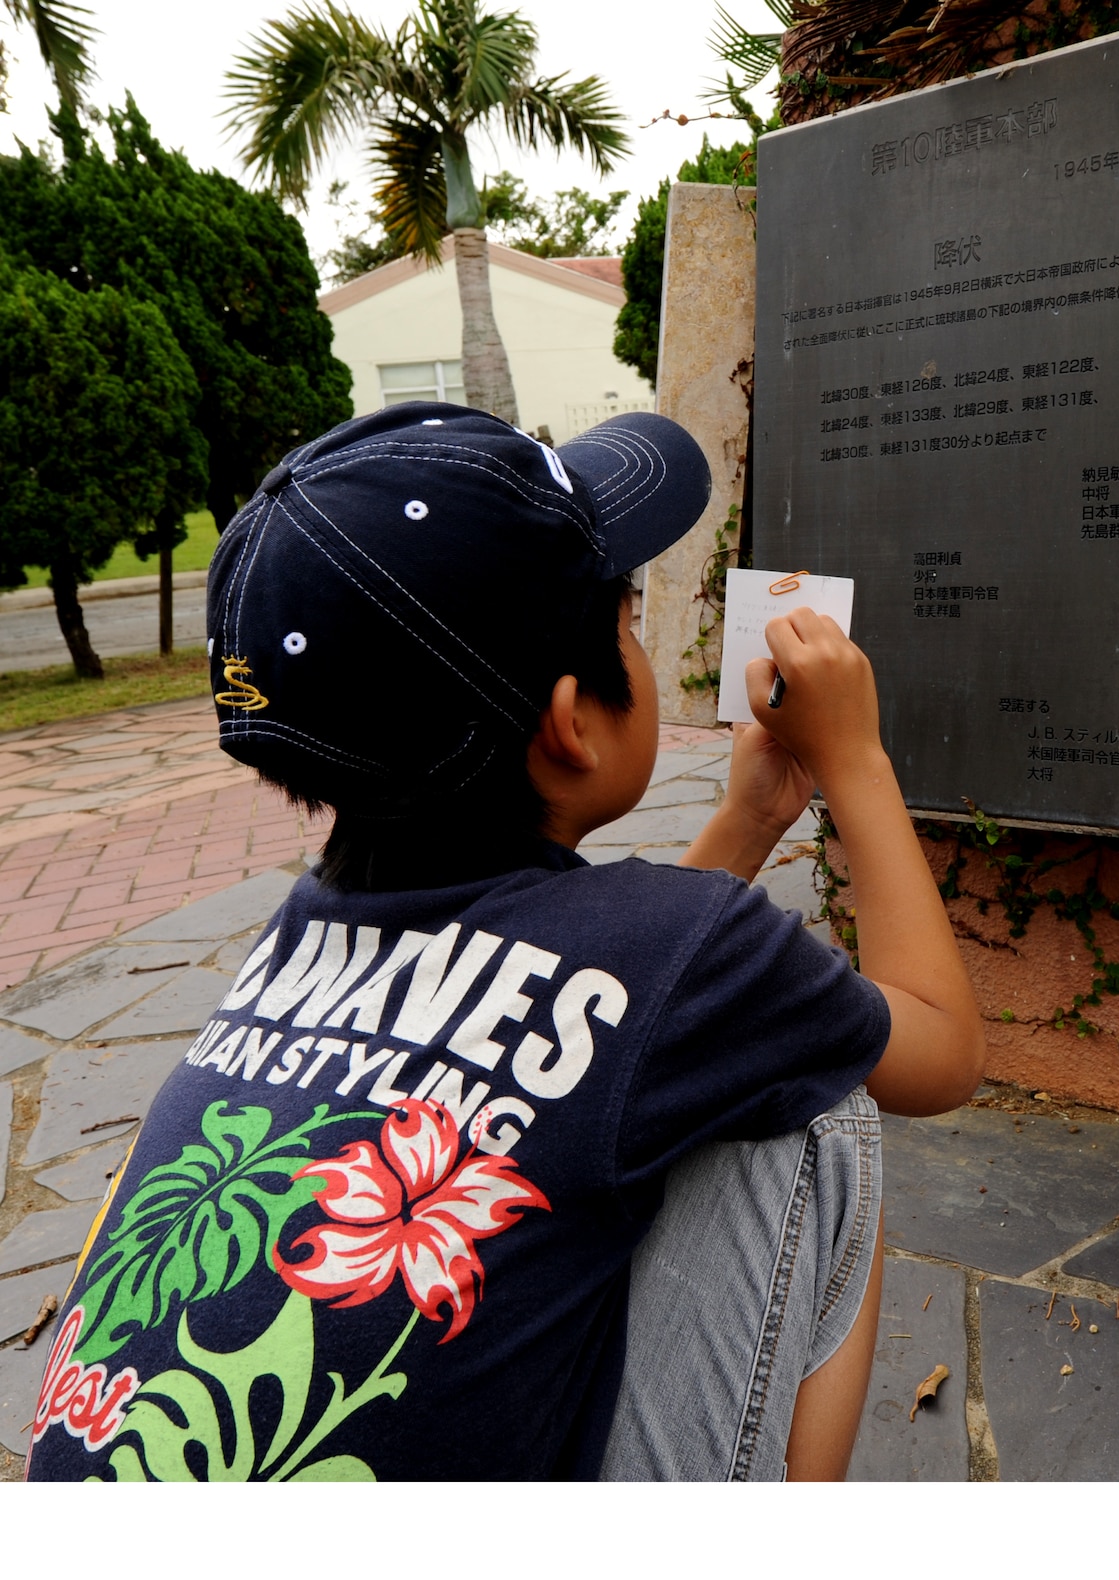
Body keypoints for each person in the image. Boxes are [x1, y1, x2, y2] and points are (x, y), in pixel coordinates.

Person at [26, 404, 983, 1481]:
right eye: (625, 614)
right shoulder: (687, 946)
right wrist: (855, 756)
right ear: (572, 721)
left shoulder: (297, 936)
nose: (637, 633)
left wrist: (755, 816)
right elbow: (940, 1047)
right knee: (813, 1100)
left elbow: (626, 996)